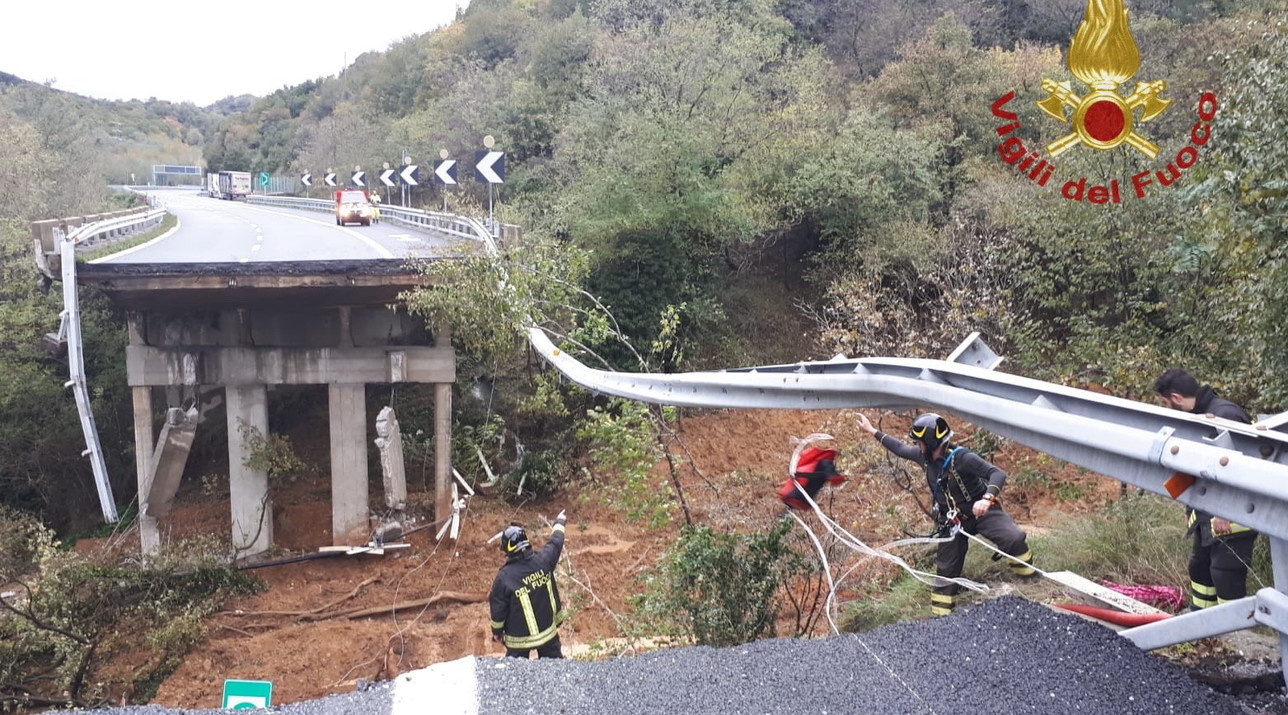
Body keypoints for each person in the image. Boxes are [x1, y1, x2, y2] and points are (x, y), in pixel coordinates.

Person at [857, 412, 1036, 616]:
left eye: (919, 442)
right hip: (952, 521)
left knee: (1013, 538)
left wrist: (986, 499)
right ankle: (941, 618)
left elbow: (997, 473)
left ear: (932, 443)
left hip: (981, 512)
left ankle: (1031, 582)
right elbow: (899, 448)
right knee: (946, 572)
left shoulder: (963, 458)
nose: (916, 446)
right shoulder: (922, 457)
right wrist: (872, 431)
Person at [1154, 368, 1257, 610]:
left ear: (1177, 398)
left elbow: (1243, 468)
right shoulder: (1200, 415)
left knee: (1225, 572)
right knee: (1200, 569)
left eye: (1166, 403)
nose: (1168, 408)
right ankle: (1200, 623)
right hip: (1206, 512)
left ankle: (1231, 631)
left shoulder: (1225, 415)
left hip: (1232, 513)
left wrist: (1226, 511)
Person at [488, 510, 568, 658]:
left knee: (517, 676)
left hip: (519, 642)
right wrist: (560, 522)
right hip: (548, 635)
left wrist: (497, 633)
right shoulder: (544, 560)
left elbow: (498, 610)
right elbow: (556, 541)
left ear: (508, 549)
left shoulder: (504, 577)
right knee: (556, 673)